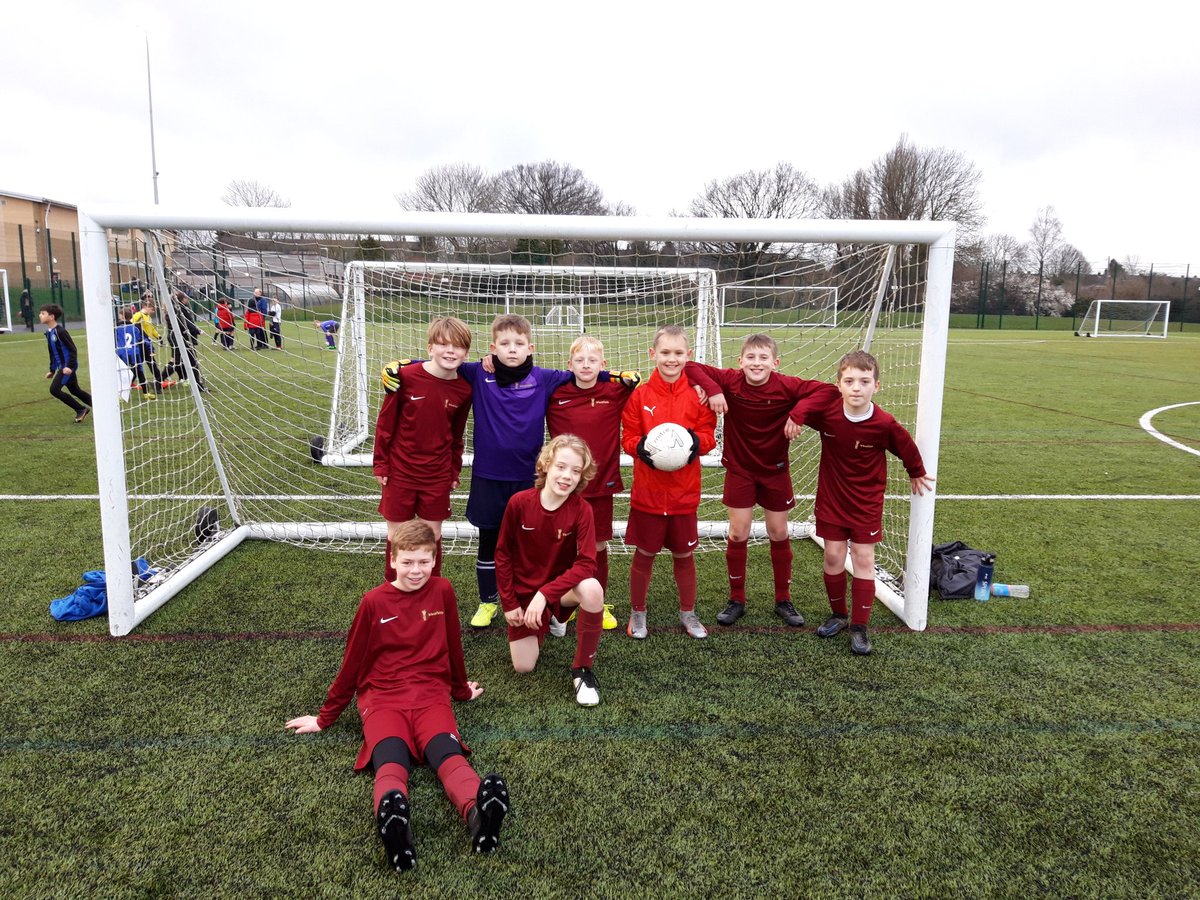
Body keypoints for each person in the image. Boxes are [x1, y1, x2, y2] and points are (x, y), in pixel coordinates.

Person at [285, 520, 510, 874]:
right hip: (382, 697)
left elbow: (453, 644)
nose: (416, 570)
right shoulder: (374, 602)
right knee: (390, 758)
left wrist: (461, 689)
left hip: (431, 695)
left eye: (424, 562)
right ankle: (395, 829)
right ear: (393, 560)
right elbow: (352, 663)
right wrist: (324, 717)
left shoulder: (444, 591)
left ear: (435, 560)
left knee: (446, 752)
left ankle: (479, 817)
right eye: (408, 562)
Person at [453, 314, 633, 629]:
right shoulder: (477, 373)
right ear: (493, 347)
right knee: (489, 540)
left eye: (518, 344)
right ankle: (488, 602)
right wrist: (403, 366)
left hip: (530, 479)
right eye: (504, 344)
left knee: (533, 545)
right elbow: (444, 361)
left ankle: (544, 601)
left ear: (530, 346)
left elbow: (587, 373)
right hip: (488, 476)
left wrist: (617, 374)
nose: (511, 350)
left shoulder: (546, 377)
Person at [785, 350, 935, 656]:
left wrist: (916, 472)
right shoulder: (827, 414)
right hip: (831, 499)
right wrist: (797, 416)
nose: (857, 387)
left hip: (866, 502)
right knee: (833, 557)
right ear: (838, 385)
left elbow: (905, 447)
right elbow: (799, 406)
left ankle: (860, 627)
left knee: (864, 560)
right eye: (850, 381)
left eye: (864, 381)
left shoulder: (883, 423)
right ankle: (839, 615)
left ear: (876, 386)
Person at [684, 334, 828, 628]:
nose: (756, 363)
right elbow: (690, 366)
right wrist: (712, 389)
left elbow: (828, 391)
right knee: (738, 533)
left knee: (778, 532)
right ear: (740, 362)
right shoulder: (731, 380)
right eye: (750, 357)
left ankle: (783, 600)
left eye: (763, 358)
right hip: (740, 470)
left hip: (775, 471)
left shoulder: (787, 386)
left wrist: (798, 413)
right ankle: (736, 599)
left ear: (775, 363)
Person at [620, 324, 717, 640]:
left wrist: (693, 442)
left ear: (688, 356)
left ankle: (688, 613)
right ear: (653, 354)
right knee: (644, 554)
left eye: (678, 353)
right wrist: (640, 449)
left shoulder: (698, 395)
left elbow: (708, 437)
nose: (671, 359)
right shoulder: (640, 396)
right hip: (648, 493)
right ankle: (638, 613)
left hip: (683, 494)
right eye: (665, 353)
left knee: (684, 555)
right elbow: (628, 438)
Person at [496, 435, 607, 706]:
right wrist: (509, 603)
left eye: (576, 470)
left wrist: (545, 594)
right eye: (561, 466)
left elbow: (587, 563)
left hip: (557, 591)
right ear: (546, 465)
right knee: (524, 667)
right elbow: (502, 555)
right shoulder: (519, 503)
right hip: (524, 594)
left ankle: (582, 670)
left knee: (592, 588)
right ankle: (548, 620)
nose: (567, 476)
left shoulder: (582, 510)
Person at [546, 335, 639, 631]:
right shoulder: (554, 391)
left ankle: (599, 601)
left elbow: (641, 387)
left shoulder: (615, 390)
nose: (586, 365)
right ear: (568, 364)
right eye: (579, 360)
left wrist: (621, 377)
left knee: (597, 544)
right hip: (562, 485)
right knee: (562, 543)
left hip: (601, 484)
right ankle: (563, 600)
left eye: (592, 361)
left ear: (603, 365)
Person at [375, 316, 473, 582]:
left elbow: (456, 434)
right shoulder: (403, 376)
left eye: (458, 346)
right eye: (443, 344)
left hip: (437, 474)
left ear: (466, 352)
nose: (451, 351)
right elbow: (385, 423)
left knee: (433, 535)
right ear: (430, 348)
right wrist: (381, 463)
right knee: (397, 536)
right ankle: (393, 588)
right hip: (400, 471)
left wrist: (453, 470)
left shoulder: (465, 390)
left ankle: (431, 588)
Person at [38, 303, 93, 423]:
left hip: (67, 366)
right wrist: (52, 370)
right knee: (75, 390)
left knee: (54, 390)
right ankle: (99, 406)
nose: (40, 315)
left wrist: (69, 366)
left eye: (43, 313)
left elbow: (73, 349)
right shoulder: (49, 333)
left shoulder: (61, 332)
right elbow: (52, 352)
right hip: (62, 367)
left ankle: (80, 409)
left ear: (51, 316)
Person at [163, 290, 204, 389]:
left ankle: (197, 384)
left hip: (178, 338)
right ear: (182, 299)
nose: (188, 299)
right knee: (179, 362)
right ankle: (159, 380)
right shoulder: (178, 309)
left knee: (188, 362)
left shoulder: (176, 308)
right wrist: (197, 330)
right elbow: (185, 323)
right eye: (186, 298)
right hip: (180, 338)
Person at [132, 293, 171, 389]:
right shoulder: (139, 315)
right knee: (148, 364)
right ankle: (159, 382)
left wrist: (159, 337)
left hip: (146, 344)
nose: (153, 311)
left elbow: (151, 329)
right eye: (152, 309)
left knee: (147, 364)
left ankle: (158, 381)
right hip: (140, 344)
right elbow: (131, 323)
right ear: (146, 306)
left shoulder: (147, 317)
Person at [115, 307, 154, 398]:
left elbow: (114, 340)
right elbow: (141, 340)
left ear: (123, 316)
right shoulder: (135, 328)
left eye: (120, 315)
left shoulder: (117, 328)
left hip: (122, 353)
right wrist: (149, 350)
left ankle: (120, 395)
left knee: (121, 373)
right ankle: (146, 393)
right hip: (134, 353)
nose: (119, 317)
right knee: (140, 372)